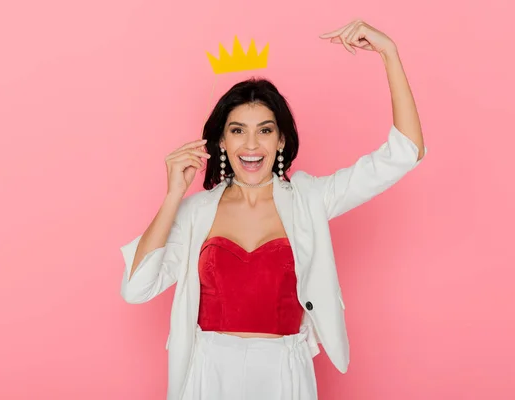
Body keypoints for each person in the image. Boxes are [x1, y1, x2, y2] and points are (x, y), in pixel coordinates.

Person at [120, 20, 426, 400]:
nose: (251, 144)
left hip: (284, 373)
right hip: (208, 372)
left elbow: (405, 153)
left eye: (264, 130)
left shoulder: (309, 198)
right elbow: (136, 289)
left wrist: (389, 52)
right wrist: (172, 197)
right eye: (237, 130)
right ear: (221, 140)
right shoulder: (196, 211)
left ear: (281, 139)